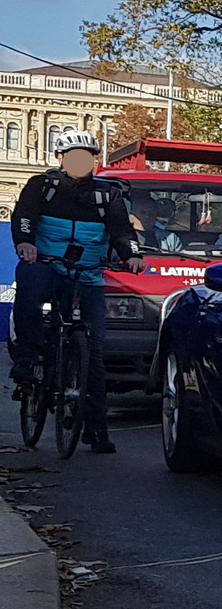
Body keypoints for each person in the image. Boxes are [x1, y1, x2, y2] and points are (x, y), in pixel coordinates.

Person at [11, 131, 135, 452]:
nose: (81, 162)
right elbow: (23, 217)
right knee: (30, 282)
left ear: (96, 161)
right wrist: (25, 243)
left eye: (87, 156)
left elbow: (122, 231)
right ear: (60, 159)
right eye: (74, 155)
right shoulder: (42, 187)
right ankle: (28, 360)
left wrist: (131, 255)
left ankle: (96, 429)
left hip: (87, 276)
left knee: (92, 352)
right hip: (48, 267)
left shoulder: (108, 196)